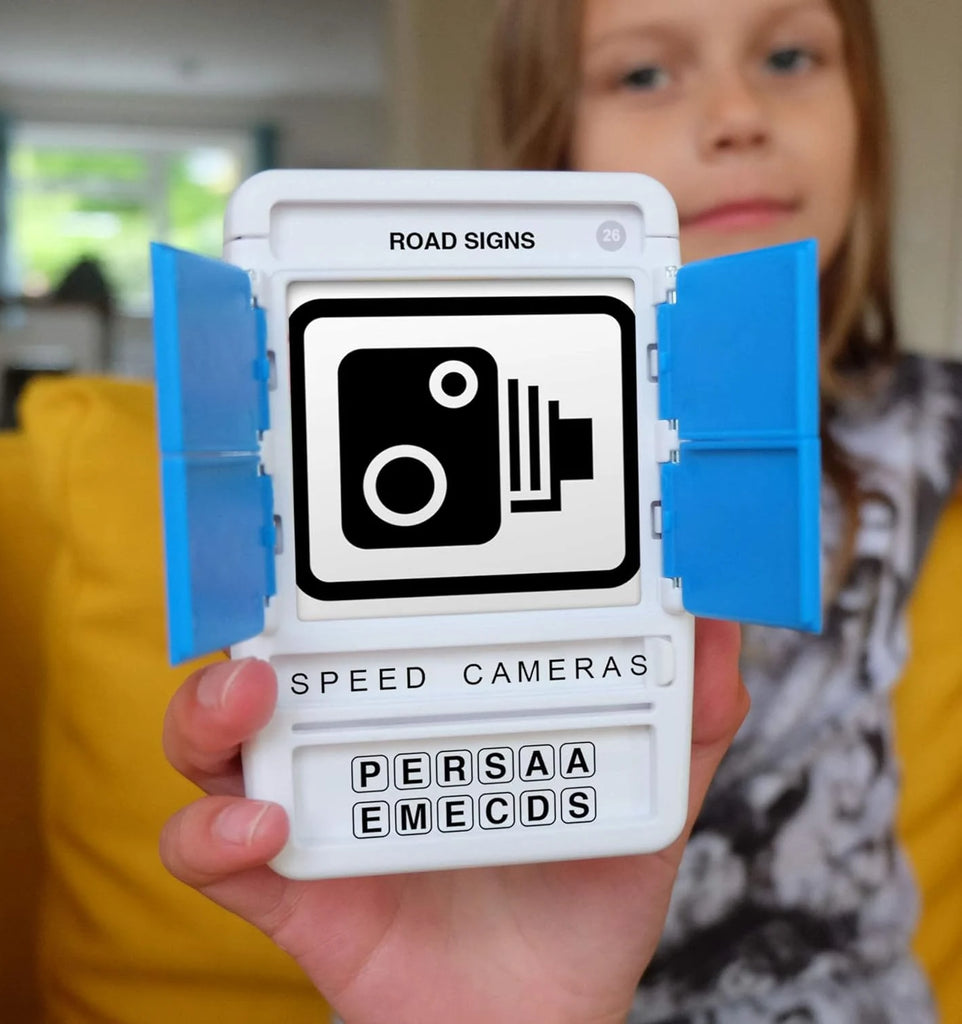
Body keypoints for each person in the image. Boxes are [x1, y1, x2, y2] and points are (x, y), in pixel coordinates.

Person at [161, 0, 962, 1020]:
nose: (735, 115)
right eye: (641, 74)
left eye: (789, 55)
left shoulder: (923, 419)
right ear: (551, 155)